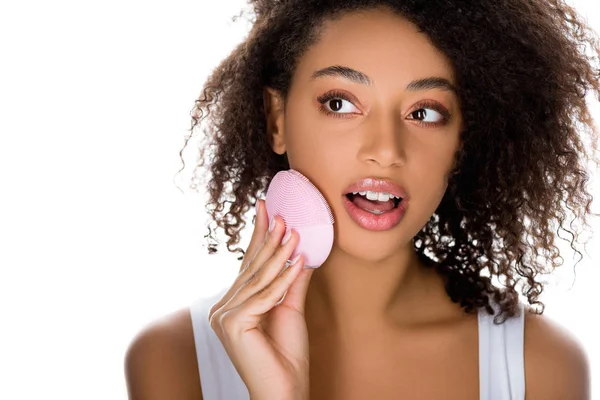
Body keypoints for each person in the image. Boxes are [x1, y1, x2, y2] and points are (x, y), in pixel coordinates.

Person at [124, 1, 600, 399]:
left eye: (425, 112)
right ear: (277, 120)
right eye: (339, 103)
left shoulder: (541, 367)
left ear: (463, 141)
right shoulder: (174, 361)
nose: (386, 151)